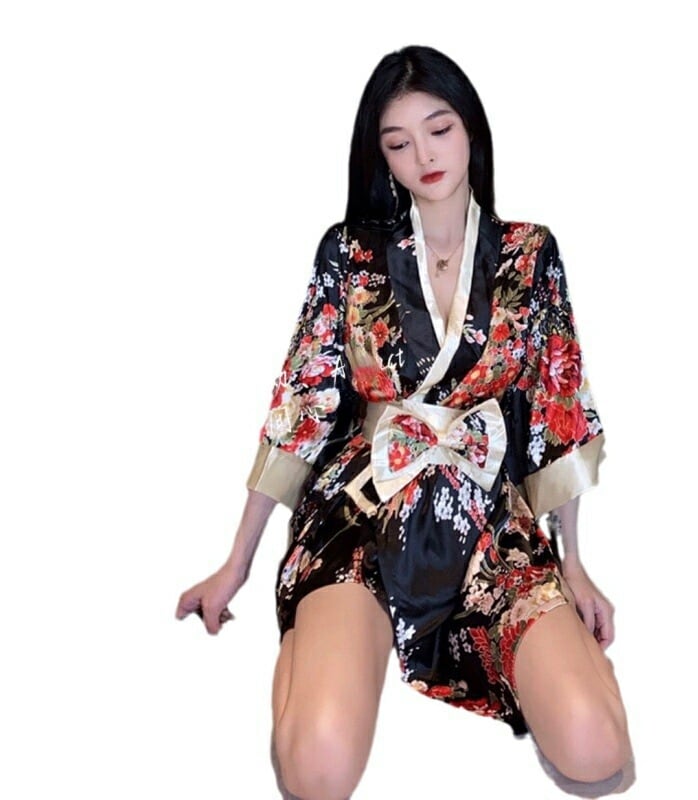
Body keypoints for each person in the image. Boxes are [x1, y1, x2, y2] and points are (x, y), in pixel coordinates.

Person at [176, 45, 634, 800]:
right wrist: (237, 563)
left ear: (471, 129)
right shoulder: (351, 254)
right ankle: (308, 653)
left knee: (597, 752)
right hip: (361, 507)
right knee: (319, 768)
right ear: (381, 157)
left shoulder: (530, 254)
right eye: (398, 143)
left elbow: (557, 409)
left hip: (485, 515)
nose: (424, 156)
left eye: (439, 129)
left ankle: (556, 669)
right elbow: (302, 404)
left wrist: (574, 564)